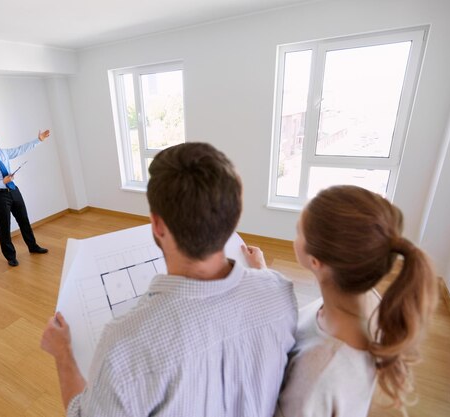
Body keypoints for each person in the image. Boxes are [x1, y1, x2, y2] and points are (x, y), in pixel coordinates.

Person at [41, 142, 298, 416]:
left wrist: (63, 355)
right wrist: (262, 273)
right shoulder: (279, 292)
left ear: (158, 224)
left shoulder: (124, 345)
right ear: (235, 216)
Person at [243, 185, 438, 417]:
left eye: (298, 232)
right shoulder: (364, 300)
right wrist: (264, 274)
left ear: (316, 262)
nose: (295, 237)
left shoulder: (318, 373)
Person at [0, 127, 50, 267]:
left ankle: (33, 246)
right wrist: (2, 182)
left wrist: (38, 140)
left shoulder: (1, 152)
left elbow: (20, 149)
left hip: (13, 190)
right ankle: (10, 257)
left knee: (24, 220)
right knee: (4, 227)